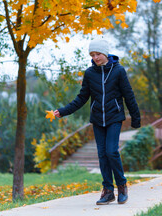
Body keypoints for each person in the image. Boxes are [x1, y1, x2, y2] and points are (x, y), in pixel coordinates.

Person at [54, 39, 141, 205]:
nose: (95, 57)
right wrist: (64, 111)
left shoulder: (118, 71)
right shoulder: (89, 73)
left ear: (105, 53)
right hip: (97, 119)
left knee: (111, 152)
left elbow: (128, 96)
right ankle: (108, 191)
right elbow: (82, 98)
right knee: (102, 155)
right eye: (92, 55)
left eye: (98, 54)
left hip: (114, 117)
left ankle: (121, 185)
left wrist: (136, 118)